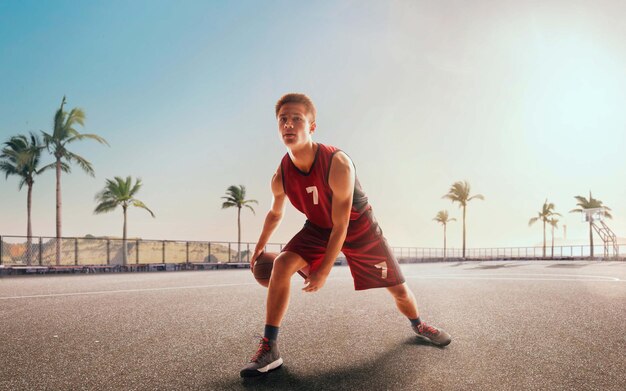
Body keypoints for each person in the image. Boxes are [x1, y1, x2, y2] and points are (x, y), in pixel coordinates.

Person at [240, 93, 451, 378]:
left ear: (312, 126)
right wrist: (260, 247)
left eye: (296, 119)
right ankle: (270, 349)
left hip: (359, 228)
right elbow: (275, 213)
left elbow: (341, 226)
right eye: (283, 120)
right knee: (279, 265)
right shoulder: (281, 176)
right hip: (317, 227)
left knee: (399, 291)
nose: (289, 125)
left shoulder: (337, 163)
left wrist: (324, 271)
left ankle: (418, 324)